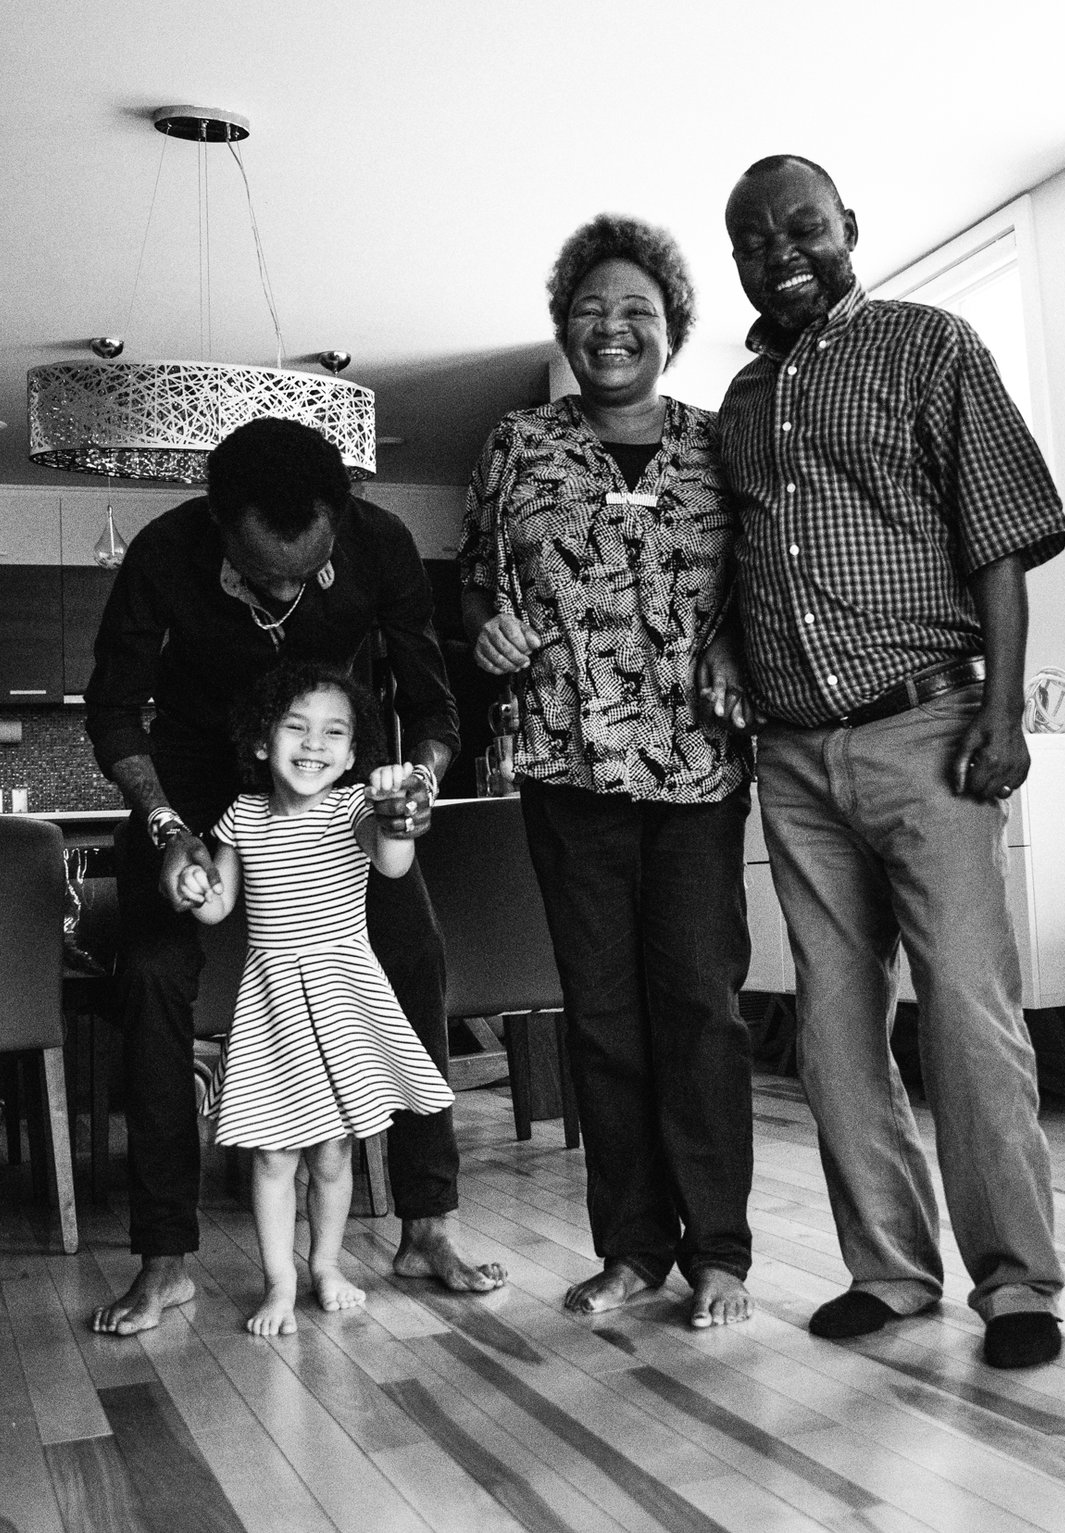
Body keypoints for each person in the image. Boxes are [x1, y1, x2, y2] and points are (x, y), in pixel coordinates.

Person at [713, 155, 1065, 1370]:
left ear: (849, 226)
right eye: (754, 238)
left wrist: (1005, 710)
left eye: (802, 223)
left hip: (931, 730)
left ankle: (1017, 1282)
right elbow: (742, 563)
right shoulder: (743, 400)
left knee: (967, 1013)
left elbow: (1003, 539)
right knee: (829, 1024)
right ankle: (890, 1270)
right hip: (794, 756)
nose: (781, 247)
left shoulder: (931, 343)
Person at [84, 415, 502, 1335]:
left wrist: (414, 786)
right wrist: (165, 829)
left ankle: (426, 1223)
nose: (280, 593)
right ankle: (164, 1259)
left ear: (338, 525)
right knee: (151, 975)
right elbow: (113, 713)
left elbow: (434, 707)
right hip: (193, 782)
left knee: (416, 955)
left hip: (335, 777)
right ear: (216, 523)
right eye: (259, 575)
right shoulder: (162, 551)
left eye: (301, 576)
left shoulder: (380, 544)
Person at [460, 214, 756, 1330]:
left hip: (695, 771)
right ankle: (631, 1248)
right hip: (564, 764)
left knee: (700, 1008)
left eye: (635, 309)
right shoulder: (517, 444)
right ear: (562, 329)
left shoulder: (716, 444)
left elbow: (755, 587)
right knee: (601, 1013)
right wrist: (487, 627)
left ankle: (717, 1251)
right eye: (590, 310)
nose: (612, 327)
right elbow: (478, 585)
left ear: (672, 326)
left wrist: (731, 642)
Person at [174, 663, 455, 1336]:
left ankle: (326, 1264)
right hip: (272, 1004)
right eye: (295, 727)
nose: (313, 743)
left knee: (331, 1151)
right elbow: (220, 907)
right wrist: (192, 883)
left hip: (340, 997)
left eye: (334, 732)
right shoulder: (241, 816)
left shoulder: (355, 807)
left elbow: (391, 861)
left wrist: (395, 803)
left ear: (354, 754)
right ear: (263, 742)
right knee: (273, 1154)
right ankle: (279, 1282)